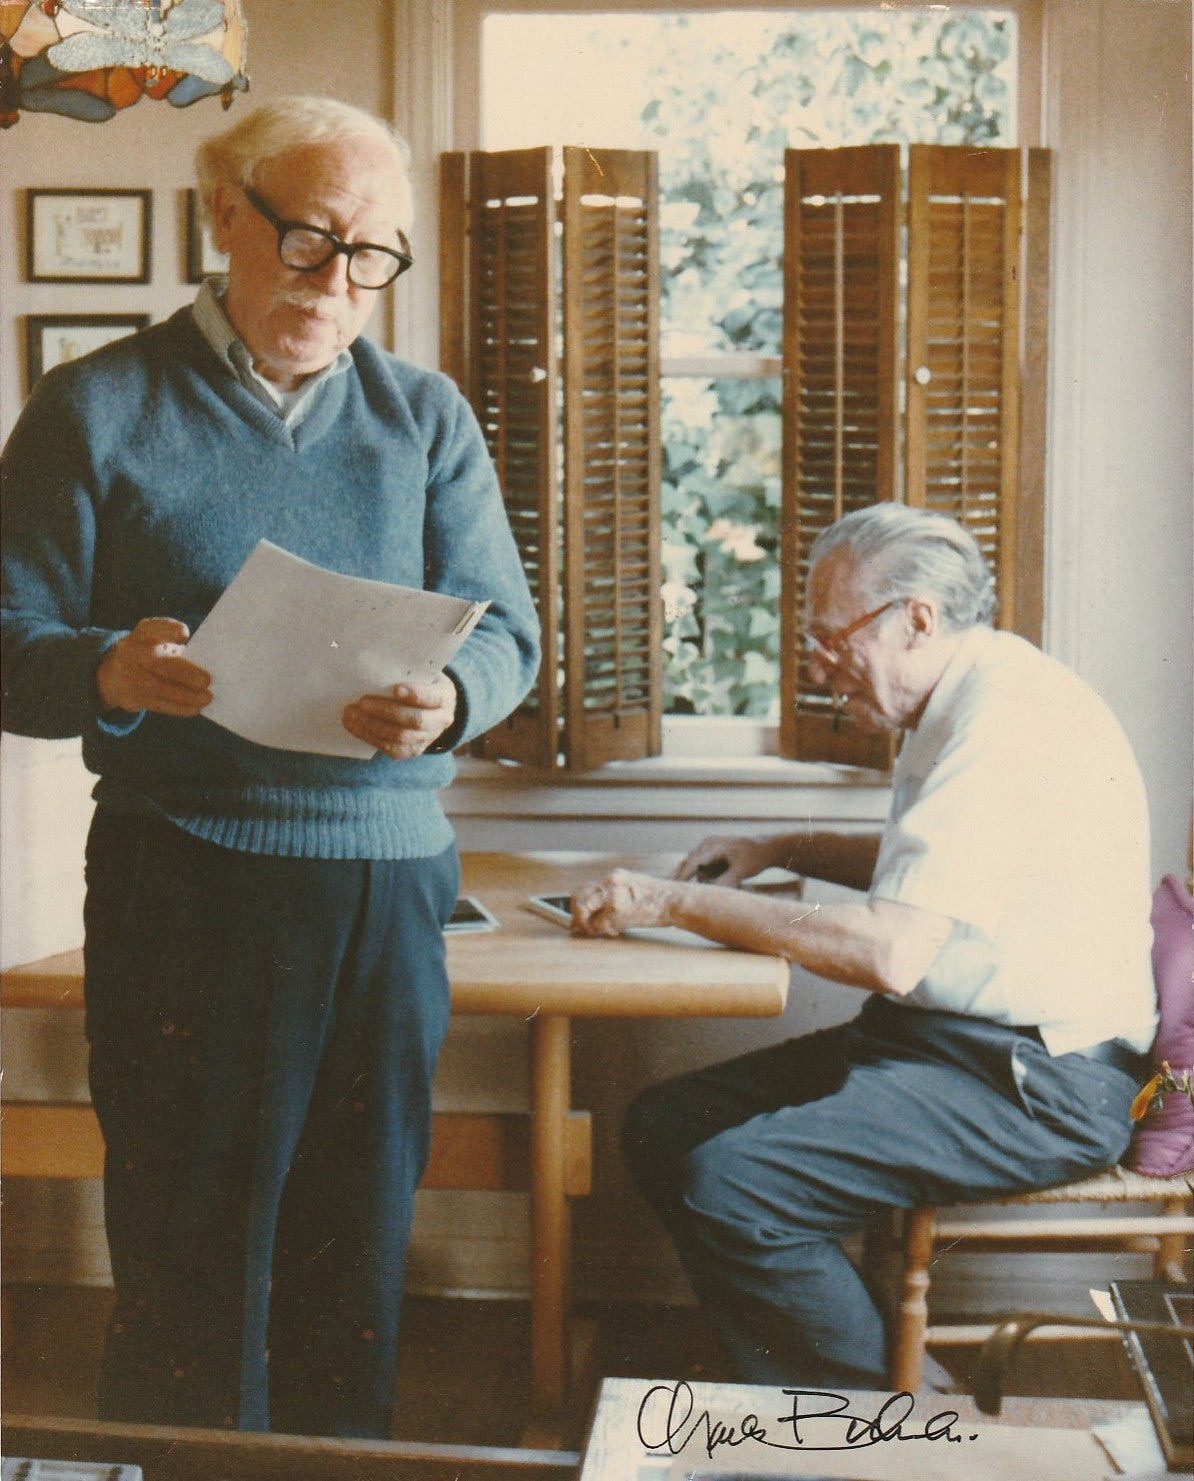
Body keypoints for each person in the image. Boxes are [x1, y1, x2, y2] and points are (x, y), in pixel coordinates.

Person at [1, 97, 539, 1439]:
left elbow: (511, 633)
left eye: (374, 256)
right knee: (190, 1255)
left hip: (387, 888)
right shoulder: (95, 406)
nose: (340, 285)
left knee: (353, 1246)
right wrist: (107, 671)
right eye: (310, 242)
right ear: (224, 216)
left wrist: (450, 694)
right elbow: (8, 641)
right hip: (183, 879)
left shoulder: (425, 417)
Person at [572, 503, 1156, 1391]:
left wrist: (669, 900)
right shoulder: (964, 695)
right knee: (667, 1127)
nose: (816, 667)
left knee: (734, 1186)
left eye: (829, 638)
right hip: (948, 1048)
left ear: (917, 618)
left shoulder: (1005, 718)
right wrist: (785, 847)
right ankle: (842, 1391)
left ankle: (902, 1428)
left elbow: (888, 950)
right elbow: (927, 870)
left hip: (1042, 1084)